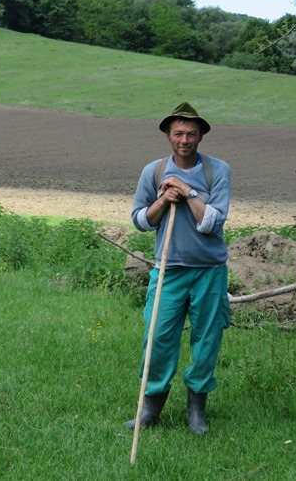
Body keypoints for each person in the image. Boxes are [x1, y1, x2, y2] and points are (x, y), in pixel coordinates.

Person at [126, 102, 231, 435]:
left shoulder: (218, 171)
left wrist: (187, 192)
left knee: (206, 340)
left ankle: (196, 412)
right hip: (168, 269)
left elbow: (212, 221)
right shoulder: (152, 172)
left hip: (209, 271)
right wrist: (162, 199)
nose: (184, 139)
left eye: (191, 134)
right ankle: (150, 410)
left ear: (200, 136)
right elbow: (140, 220)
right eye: (178, 133)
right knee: (157, 338)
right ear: (169, 136)